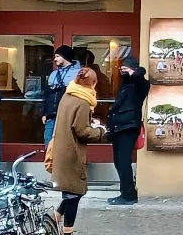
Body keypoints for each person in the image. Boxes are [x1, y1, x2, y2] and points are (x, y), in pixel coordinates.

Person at [50, 67, 105, 235]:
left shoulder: (68, 95)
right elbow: (82, 131)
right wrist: (101, 131)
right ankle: (67, 231)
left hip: (62, 149)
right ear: (93, 84)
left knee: (71, 192)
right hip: (71, 153)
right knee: (74, 194)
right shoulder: (82, 102)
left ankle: (53, 218)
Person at [107, 56, 150, 205]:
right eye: (122, 68)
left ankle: (128, 195)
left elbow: (139, 78)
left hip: (129, 126)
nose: (123, 71)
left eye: (126, 68)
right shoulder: (125, 85)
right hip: (118, 126)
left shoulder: (141, 84)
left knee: (124, 161)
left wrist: (135, 71)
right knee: (118, 161)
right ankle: (127, 191)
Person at [41, 46, 80, 148]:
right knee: (49, 145)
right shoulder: (53, 74)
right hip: (51, 117)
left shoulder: (79, 74)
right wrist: (44, 113)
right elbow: (46, 95)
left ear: (65, 57)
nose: (55, 59)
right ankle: (50, 164)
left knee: (66, 147)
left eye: (58, 56)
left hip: (68, 117)